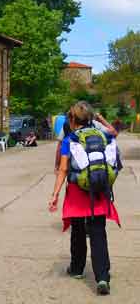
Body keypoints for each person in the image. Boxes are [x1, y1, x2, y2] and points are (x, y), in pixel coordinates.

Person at [48, 101, 120, 296]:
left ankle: (77, 268)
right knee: (98, 232)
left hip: (77, 192)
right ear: (89, 118)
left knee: (78, 229)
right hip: (99, 190)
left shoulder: (69, 140)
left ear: (72, 119)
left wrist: (54, 194)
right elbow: (114, 156)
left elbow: (63, 169)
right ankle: (103, 277)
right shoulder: (103, 135)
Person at [53, 111, 118, 174]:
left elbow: (59, 148)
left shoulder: (67, 125)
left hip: (75, 169)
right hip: (97, 166)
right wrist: (101, 118)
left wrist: (57, 166)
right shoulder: (94, 124)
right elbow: (114, 133)